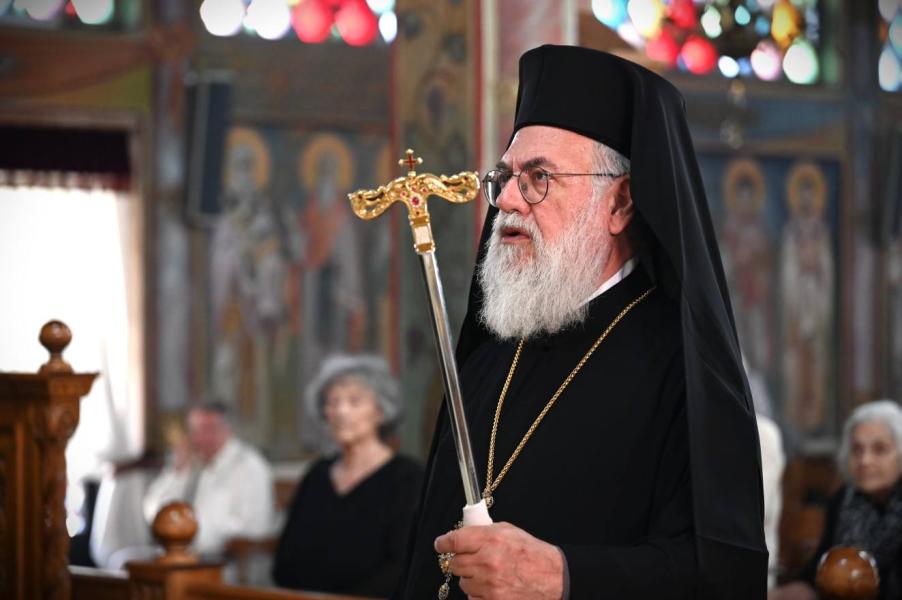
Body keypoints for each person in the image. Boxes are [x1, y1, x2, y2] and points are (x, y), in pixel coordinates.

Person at [396, 45, 767, 599]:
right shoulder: (488, 358)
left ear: (620, 204)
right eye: (505, 176)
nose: (508, 200)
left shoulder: (685, 372)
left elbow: (722, 574)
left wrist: (566, 577)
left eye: (539, 177)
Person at [273, 355, 423, 596]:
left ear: (380, 410)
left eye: (354, 401)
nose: (341, 411)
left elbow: (401, 566)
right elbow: (285, 560)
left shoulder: (407, 478)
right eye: (333, 402)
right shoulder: (317, 475)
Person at [770, 400, 902, 600]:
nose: (865, 460)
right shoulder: (844, 498)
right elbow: (816, 573)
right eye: (857, 449)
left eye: (880, 449)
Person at [143, 401, 274, 557]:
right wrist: (177, 472)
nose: (200, 438)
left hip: (230, 560)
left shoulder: (250, 466)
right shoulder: (190, 462)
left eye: (209, 429)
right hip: (181, 555)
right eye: (195, 430)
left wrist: (190, 533)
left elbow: (255, 527)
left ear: (229, 430)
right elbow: (152, 511)